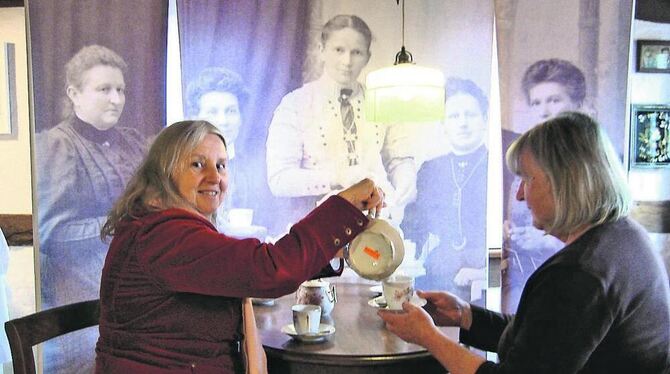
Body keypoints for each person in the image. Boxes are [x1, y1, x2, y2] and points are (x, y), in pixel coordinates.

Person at [380, 112, 670, 373]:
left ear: (565, 182)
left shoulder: (580, 274)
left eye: (527, 180)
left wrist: (428, 337)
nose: (519, 195)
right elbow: (544, 342)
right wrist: (464, 316)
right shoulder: (624, 236)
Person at [95, 120, 384, 373]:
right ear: (164, 172)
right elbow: (268, 269)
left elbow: (244, 268)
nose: (214, 177)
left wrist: (332, 248)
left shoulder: (159, 227)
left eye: (221, 165)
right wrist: (343, 206)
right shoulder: (163, 235)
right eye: (197, 164)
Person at [35, 44, 147, 373]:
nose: (116, 99)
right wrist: (123, 225)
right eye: (104, 89)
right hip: (81, 299)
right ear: (74, 93)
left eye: (120, 90)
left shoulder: (132, 141)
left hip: (134, 292)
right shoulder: (58, 145)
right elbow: (51, 234)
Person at [265, 14, 415, 232]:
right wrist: (336, 176)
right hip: (318, 227)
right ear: (321, 49)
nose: (347, 61)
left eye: (356, 52)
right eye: (339, 50)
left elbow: (399, 158)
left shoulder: (381, 101)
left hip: (378, 224)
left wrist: (403, 187)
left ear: (367, 56)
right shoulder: (296, 104)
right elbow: (279, 179)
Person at [501, 58, 586, 313]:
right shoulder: (525, 157)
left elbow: (599, 245)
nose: (544, 111)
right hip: (524, 279)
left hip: (572, 284)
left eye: (554, 100)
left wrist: (550, 242)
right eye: (537, 102)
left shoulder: (589, 167)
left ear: (578, 104)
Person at [402, 78, 488, 304]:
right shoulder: (430, 169)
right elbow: (415, 226)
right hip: (437, 271)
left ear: (485, 120)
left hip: (482, 276)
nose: (463, 124)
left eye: (470, 115)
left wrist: (484, 273)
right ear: (443, 125)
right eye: (453, 116)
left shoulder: (497, 166)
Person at [186, 67, 266, 239]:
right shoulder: (181, 169)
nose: (223, 121)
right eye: (213, 112)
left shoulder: (259, 169)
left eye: (230, 111)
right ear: (194, 117)